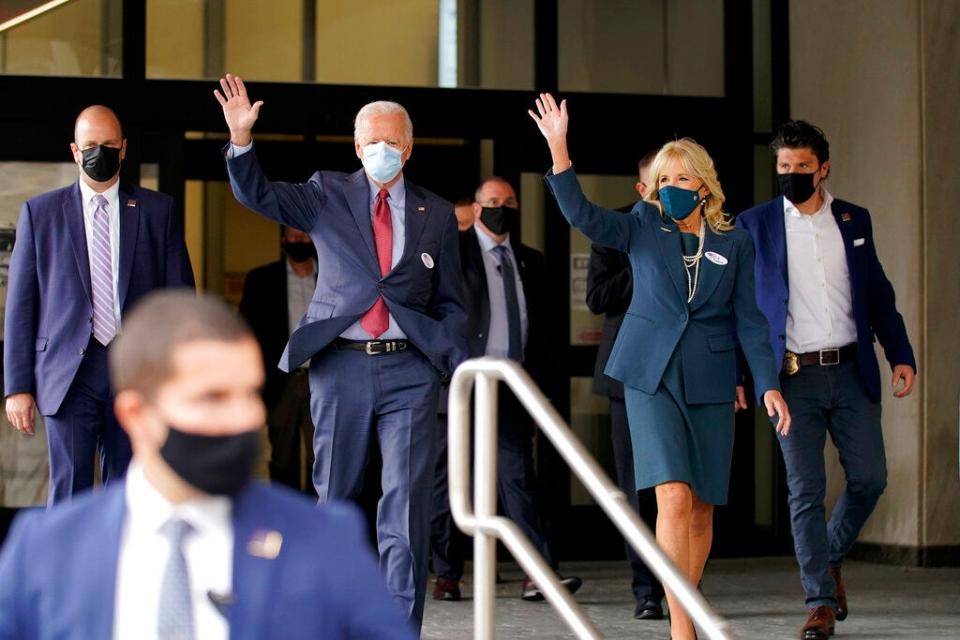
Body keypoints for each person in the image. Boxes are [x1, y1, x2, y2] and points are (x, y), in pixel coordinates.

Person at [0, 291, 415, 640]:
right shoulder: (44, 550)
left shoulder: (328, 540)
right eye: (212, 398)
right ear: (137, 415)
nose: (244, 418)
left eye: (250, 393)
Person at [529, 93, 791, 640]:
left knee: (701, 509)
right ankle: (681, 630)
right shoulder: (642, 228)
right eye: (661, 178)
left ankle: (686, 608)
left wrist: (766, 384)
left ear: (704, 185)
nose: (668, 187)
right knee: (670, 495)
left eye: (680, 178)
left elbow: (751, 321)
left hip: (712, 381)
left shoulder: (734, 241)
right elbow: (582, 214)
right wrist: (559, 150)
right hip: (649, 377)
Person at [213, 74, 467, 630]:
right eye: (371, 141)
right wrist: (240, 141)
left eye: (392, 141)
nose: (382, 150)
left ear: (409, 146)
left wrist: (447, 355)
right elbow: (259, 194)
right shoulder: (326, 191)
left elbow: (453, 301)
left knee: (404, 507)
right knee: (337, 502)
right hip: (341, 366)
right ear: (356, 146)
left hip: (409, 371)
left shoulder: (437, 214)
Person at [736, 120, 916, 640]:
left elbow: (877, 293)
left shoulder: (854, 220)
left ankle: (830, 556)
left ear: (824, 168)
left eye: (802, 167)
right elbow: (740, 308)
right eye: (783, 168)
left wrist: (899, 353)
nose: (791, 176)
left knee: (870, 478)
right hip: (792, 379)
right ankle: (818, 600)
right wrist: (740, 375)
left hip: (852, 370)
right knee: (805, 491)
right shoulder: (755, 225)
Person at [3, 105, 195, 505]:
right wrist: (17, 387)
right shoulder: (40, 214)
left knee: (129, 493)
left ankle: (119, 569)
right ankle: (68, 569)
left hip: (135, 373)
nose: (99, 153)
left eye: (108, 145)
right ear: (75, 150)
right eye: (91, 145)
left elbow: (180, 302)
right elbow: (22, 306)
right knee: (69, 491)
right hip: (68, 373)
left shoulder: (159, 211)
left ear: (123, 149)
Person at [430, 177, 582, 603]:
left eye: (509, 202)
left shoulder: (531, 260)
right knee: (447, 481)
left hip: (512, 385)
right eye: (493, 202)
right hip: (459, 386)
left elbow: (547, 329)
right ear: (476, 209)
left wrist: (545, 390)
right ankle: (446, 573)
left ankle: (538, 573)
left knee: (518, 478)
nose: (502, 208)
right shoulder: (453, 253)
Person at [584, 150, 666, 620]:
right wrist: (645, 263)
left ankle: (683, 583)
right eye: (656, 181)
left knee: (681, 489)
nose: (665, 188)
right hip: (628, 376)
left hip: (681, 374)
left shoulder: (699, 229)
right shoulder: (615, 229)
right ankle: (646, 591)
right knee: (636, 489)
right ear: (641, 188)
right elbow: (597, 297)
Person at [239, 225, 318, 494]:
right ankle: (286, 523)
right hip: (280, 380)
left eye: (304, 236)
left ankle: (316, 523)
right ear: (284, 239)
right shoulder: (262, 279)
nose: (299, 241)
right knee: (282, 459)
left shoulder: (333, 278)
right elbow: (247, 332)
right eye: (294, 236)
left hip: (322, 379)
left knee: (322, 459)